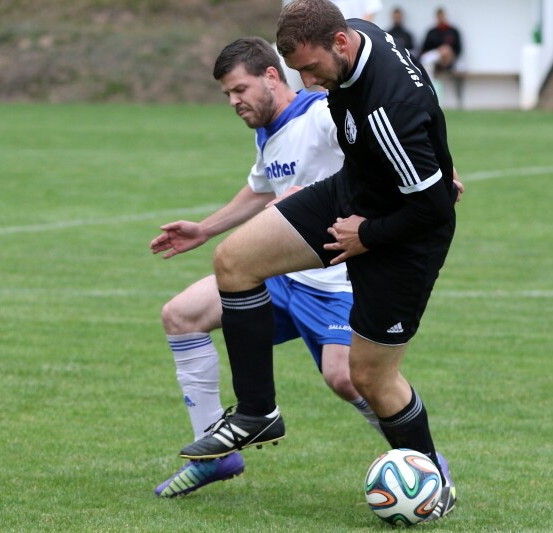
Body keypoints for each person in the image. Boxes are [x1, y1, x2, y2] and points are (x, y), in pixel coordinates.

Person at [179, 0, 460, 521]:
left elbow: (435, 209)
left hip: (404, 239)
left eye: (311, 69)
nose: (307, 82)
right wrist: (434, 165)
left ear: (341, 44)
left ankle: (434, 484)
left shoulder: (386, 110)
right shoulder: (355, 31)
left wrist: (366, 234)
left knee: (370, 379)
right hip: (352, 192)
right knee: (234, 260)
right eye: (297, 71)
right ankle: (258, 412)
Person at [420, 7, 462, 73]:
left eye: (442, 16)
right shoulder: (431, 32)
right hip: (435, 56)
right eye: (439, 16)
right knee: (426, 59)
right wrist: (439, 51)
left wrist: (448, 52)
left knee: (459, 64)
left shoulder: (453, 31)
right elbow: (424, 49)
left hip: (450, 57)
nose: (441, 18)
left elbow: (458, 49)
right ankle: (428, 78)